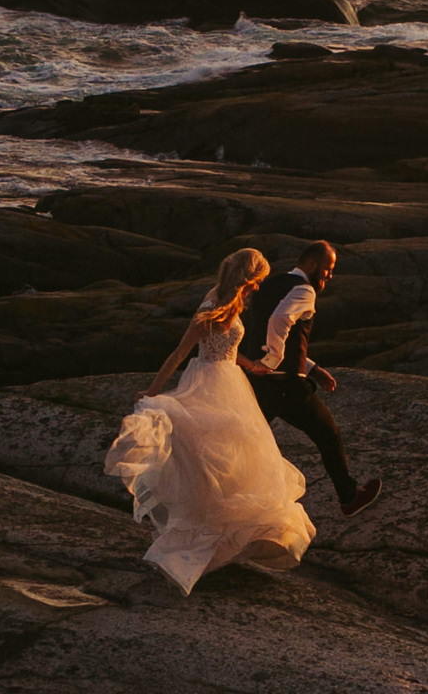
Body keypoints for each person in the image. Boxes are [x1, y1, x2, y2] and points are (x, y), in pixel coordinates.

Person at [105, 247, 316, 594]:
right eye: (258, 281)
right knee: (207, 460)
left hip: (231, 382)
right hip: (207, 384)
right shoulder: (210, 307)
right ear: (248, 278)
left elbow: (229, 351)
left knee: (237, 460)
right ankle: (203, 542)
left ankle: (229, 541)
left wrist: (251, 366)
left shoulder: (231, 302)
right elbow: (180, 352)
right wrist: (154, 390)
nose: (260, 288)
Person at [237, 240, 382, 517]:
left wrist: (313, 368)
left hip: (259, 380)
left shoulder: (270, 284)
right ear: (313, 264)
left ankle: (218, 492)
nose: (330, 275)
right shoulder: (304, 290)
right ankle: (349, 496)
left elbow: (270, 331)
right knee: (328, 434)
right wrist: (271, 361)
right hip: (285, 385)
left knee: (244, 441)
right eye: (328, 268)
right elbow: (280, 322)